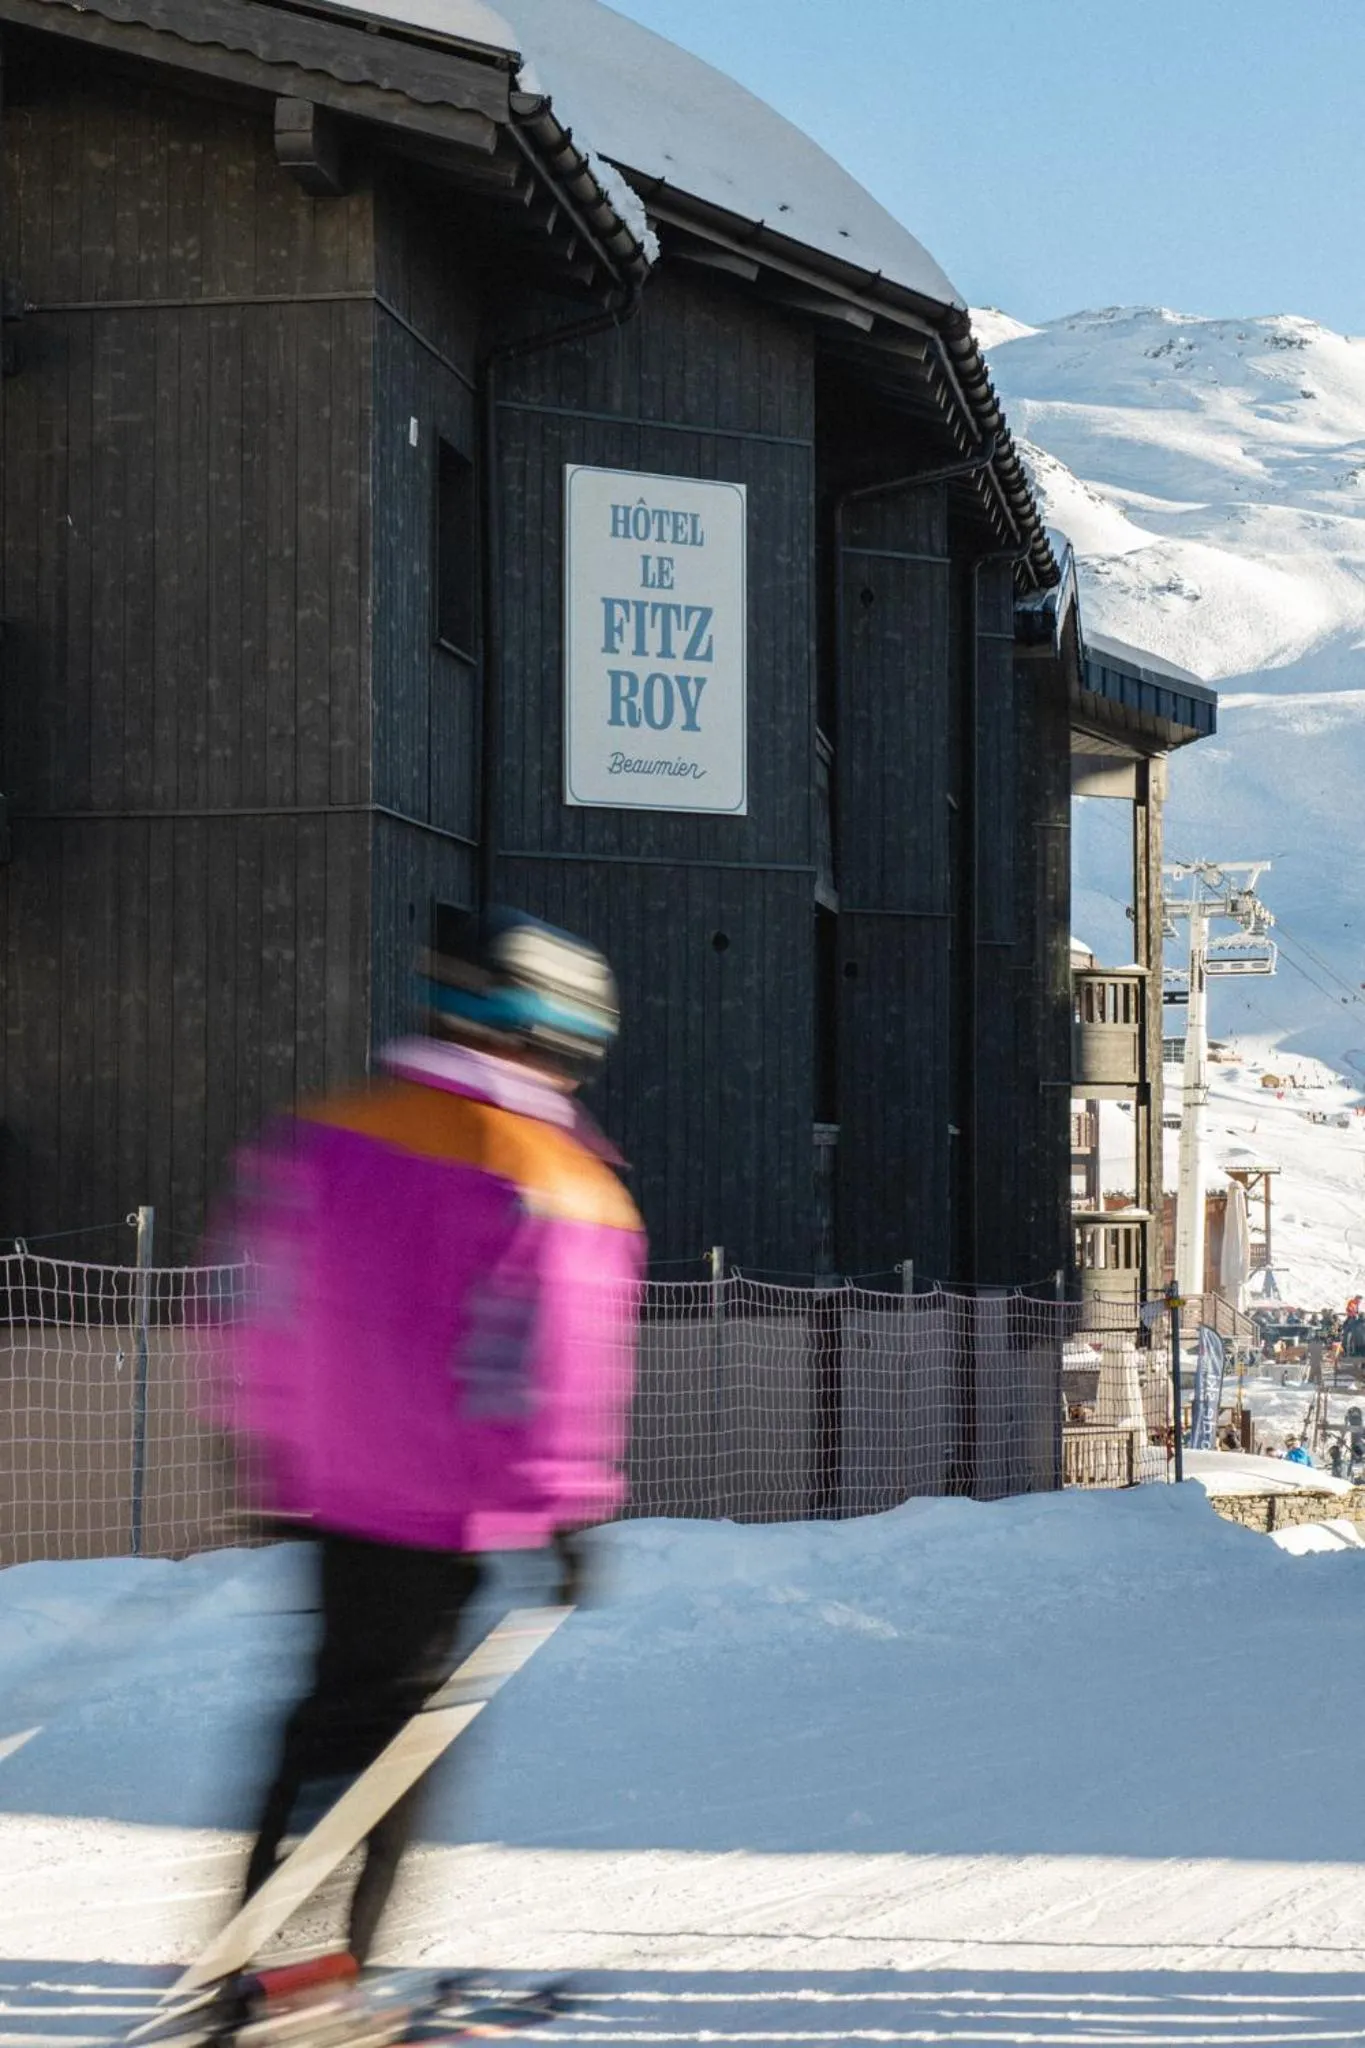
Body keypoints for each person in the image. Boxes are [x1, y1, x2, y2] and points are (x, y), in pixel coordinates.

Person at [223, 907, 645, 1965]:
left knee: (327, 1715)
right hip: (443, 1501)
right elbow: (548, 1360)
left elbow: (267, 1298)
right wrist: (562, 1507)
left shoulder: (327, 1131)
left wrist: (269, 1445)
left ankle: (263, 1959)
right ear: (561, 1034)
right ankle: (306, 1980)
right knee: (393, 1745)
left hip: (337, 1489)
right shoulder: (555, 1176)